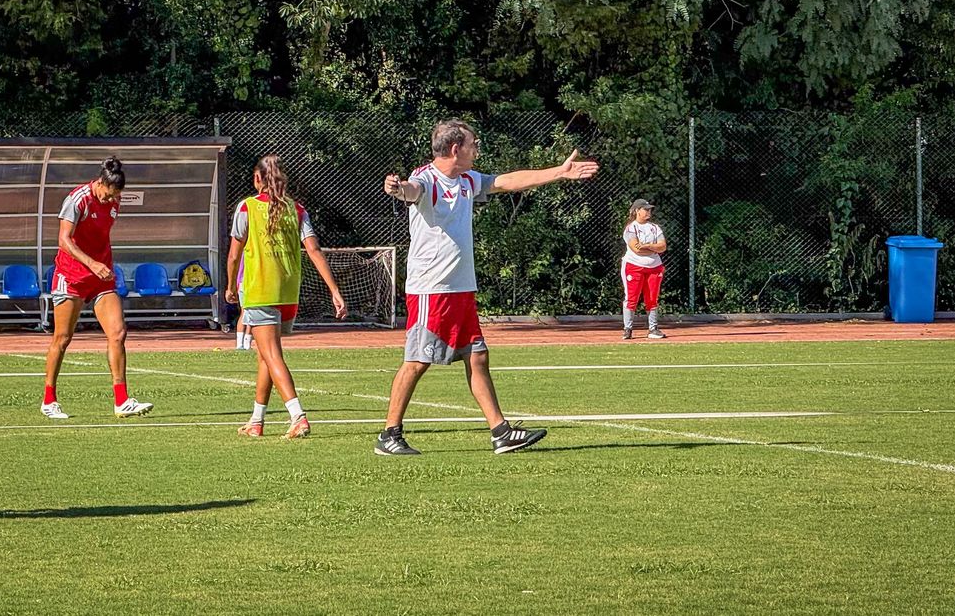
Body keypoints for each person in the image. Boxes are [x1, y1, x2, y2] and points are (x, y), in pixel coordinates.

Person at [376, 119, 599, 455]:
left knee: (477, 356)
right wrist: (396, 188)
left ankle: (501, 432)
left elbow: (507, 182)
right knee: (417, 361)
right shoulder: (427, 178)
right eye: (473, 143)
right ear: (455, 149)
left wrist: (558, 172)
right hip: (432, 290)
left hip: (461, 290)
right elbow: (411, 190)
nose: (477, 148)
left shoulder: (467, 179)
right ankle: (389, 435)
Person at [225, 154, 347, 439]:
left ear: (258, 179)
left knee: (272, 355)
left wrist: (231, 287)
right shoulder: (297, 209)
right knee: (265, 357)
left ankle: (297, 416)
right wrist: (334, 290)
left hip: (260, 291)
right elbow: (314, 251)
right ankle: (257, 421)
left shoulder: (247, 207)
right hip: (289, 293)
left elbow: (233, 255)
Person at [40, 157, 153, 419]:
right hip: (72, 275)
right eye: (106, 196)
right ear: (100, 183)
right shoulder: (78, 199)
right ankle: (49, 400)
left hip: (101, 276)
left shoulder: (114, 201)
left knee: (118, 333)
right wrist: (91, 263)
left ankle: (122, 401)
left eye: (115, 197)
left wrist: (99, 265)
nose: (109, 201)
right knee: (63, 338)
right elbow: (63, 240)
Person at [620, 198, 667, 340]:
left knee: (652, 297)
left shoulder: (654, 227)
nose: (648, 212)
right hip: (633, 266)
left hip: (654, 267)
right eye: (645, 209)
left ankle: (653, 328)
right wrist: (653, 247)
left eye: (649, 209)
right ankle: (627, 328)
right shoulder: (631, 228)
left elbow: (662, 246)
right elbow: (636, 249)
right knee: (632, 297)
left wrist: (647, 246)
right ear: (636, 211)